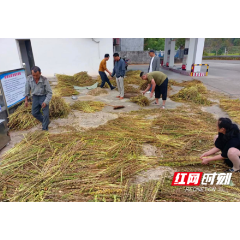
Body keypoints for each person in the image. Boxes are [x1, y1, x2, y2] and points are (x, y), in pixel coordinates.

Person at [25, 66, 52, 131]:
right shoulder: (29, 79)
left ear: (40, 73)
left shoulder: (44, 80)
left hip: (43, 97)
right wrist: (26, 100)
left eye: (37, 75)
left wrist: (46, 102)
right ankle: (46, 122)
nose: (35, 77)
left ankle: (44, 129)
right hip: (35, 97)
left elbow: (49, 92)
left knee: (45, 114)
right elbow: (27, 90)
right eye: (33, 75)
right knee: (34, 113)